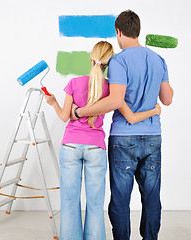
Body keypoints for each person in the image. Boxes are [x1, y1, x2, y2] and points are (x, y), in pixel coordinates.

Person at [72, 10, 174, 240]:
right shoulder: (159, 60)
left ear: (118, 32)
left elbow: (116, 100)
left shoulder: (119, 60)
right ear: (137, 30)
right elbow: (167, 99)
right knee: (151, 197)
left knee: (120, 198)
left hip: (124, 138)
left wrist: (79, 112)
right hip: (152, 136)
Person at [44, 41, 161, 240]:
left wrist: (53, 102)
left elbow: (65, 117)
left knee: (70, 201)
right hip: (96, 149)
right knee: (96, 204)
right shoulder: (112, 89)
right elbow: (130, 116)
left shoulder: (74, 83)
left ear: (91, 58)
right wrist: (154, 110)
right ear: (109, 63)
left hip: (70, 145)